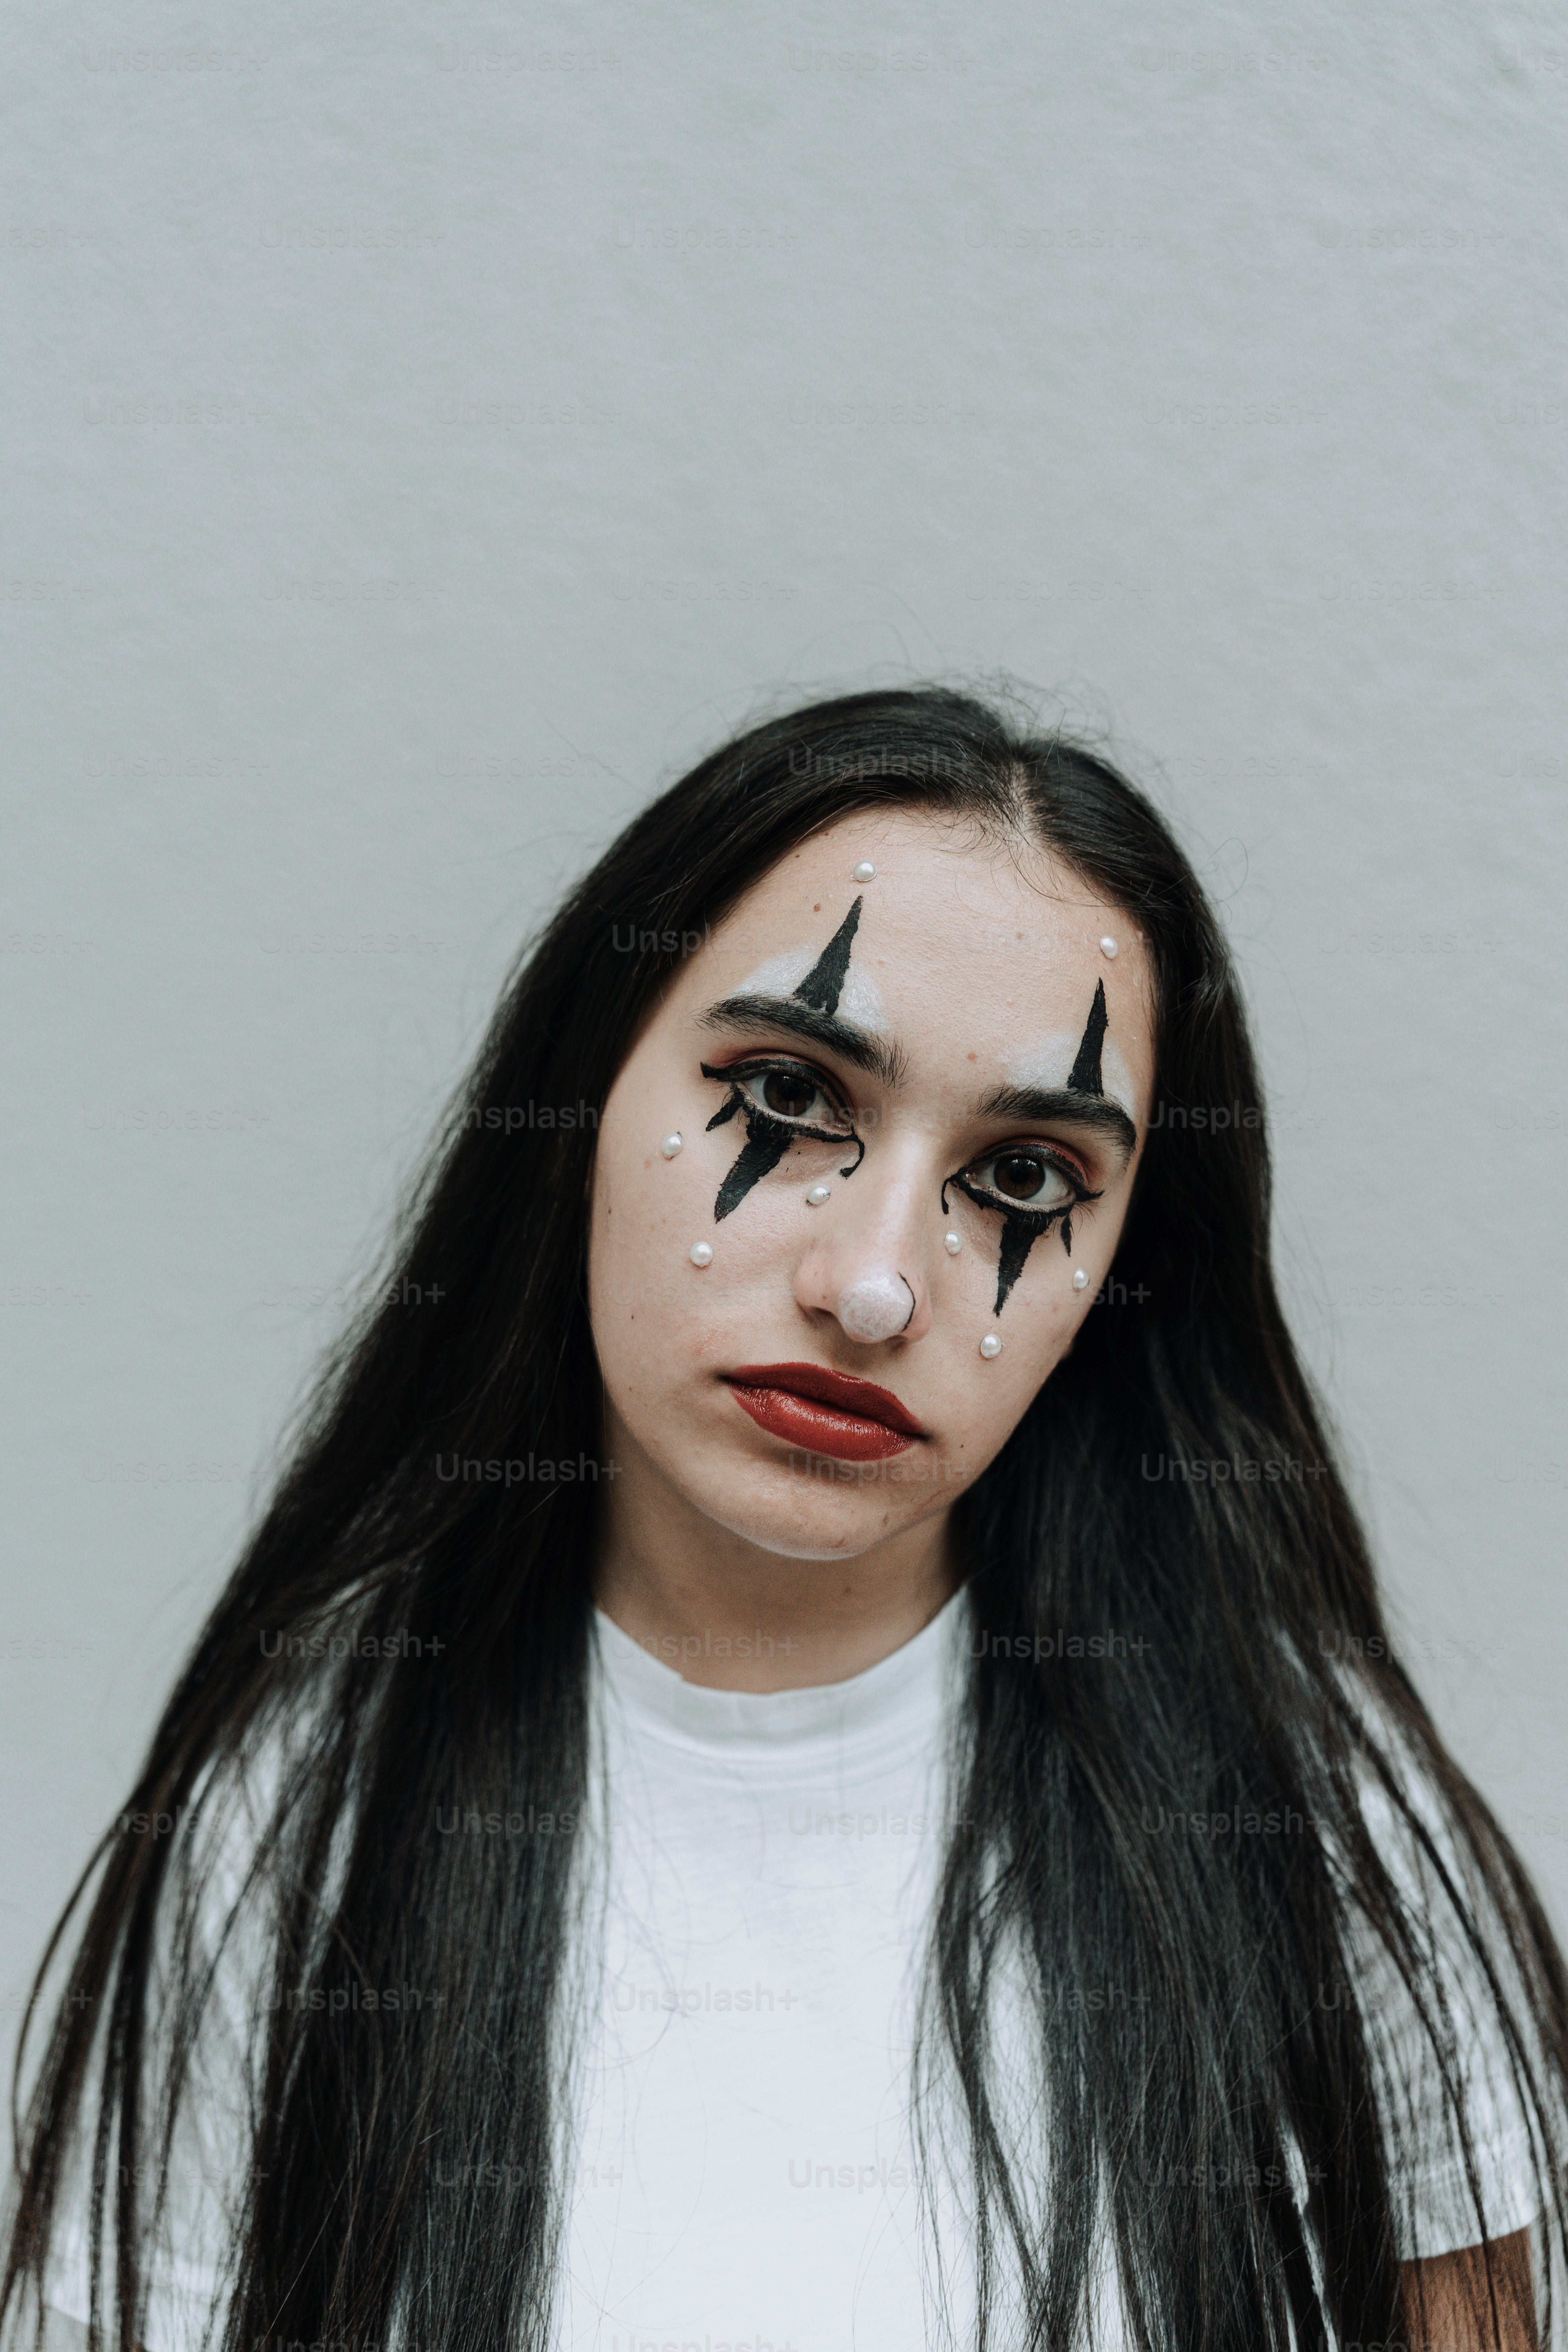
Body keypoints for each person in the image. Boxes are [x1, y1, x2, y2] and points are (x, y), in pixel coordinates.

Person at [4, 686, 1562, 2352]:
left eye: (1024, 1179)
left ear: (1119, 1271)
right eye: (791, 1093)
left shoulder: (1315, 1829)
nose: (877, 1282)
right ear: (585, 1091)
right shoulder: (300, 1818)